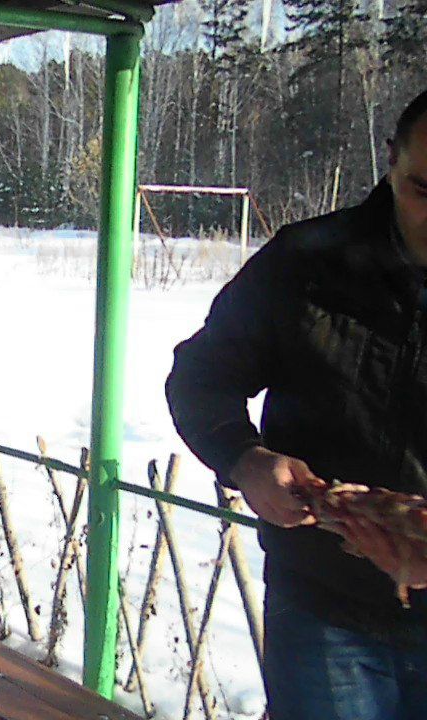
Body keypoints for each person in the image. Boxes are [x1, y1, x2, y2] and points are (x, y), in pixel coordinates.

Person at [166, 89, 427, 720]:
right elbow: (202, 374)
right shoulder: (308, 261)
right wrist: (244, 458)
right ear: (390, 160)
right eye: (426, 190)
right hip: (323, 611)